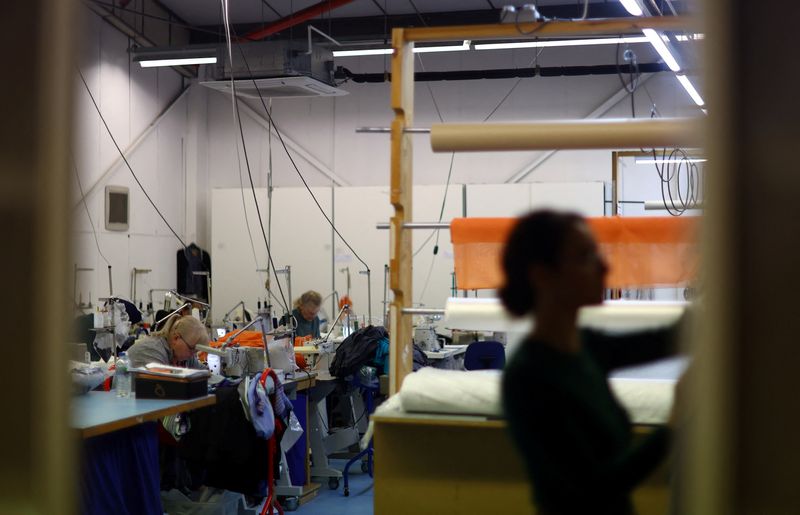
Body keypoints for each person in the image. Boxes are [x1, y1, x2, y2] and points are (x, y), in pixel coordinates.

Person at [500, 210, 682, 515]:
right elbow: (591, 491)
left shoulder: (587, 345)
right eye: (585, 256)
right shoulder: (528, 377)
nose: (604, 266)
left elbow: (667, 339)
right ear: (543, 275)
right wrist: (673, 428)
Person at [127, 314, 208, 368]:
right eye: (191, 349)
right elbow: (160, 387)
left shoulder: (184, 356)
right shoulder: (152, 350)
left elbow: (204, 374)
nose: (193, 355)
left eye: (196, 351)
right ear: (176, 338)